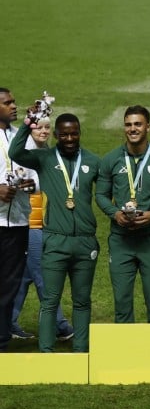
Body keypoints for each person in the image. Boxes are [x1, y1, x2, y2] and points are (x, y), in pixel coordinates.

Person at [10, 111, 101, 352]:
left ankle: (81, 349)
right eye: (64, 134)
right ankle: (46, 351)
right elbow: (14, 153)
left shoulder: (93, 161)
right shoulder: (44, 158)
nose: (69, 138)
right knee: (50, 301)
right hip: (55, 242)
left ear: (80, 133)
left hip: (85, 242)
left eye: (74, 133)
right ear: (57, 135)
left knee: (82, 302)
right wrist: (27, 123)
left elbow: (104, 195)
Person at [95, 106, 150, 323]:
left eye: (137, 124)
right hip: (121, 241)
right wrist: (115, 214)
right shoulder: (111, 159)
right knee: (122, 305)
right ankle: (125, 355)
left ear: (148, 127)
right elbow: (101, 195)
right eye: (128, 124)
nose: (132, 129)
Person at [10, 118, 73, 341]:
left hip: (38, 224)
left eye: (48, 127)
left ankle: (8, 321)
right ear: (29, 129)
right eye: (39, 127)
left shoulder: (46, 152)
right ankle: (59, 325)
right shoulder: (23, 152)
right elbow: (21, 184)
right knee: (44, 276)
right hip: (31, 224)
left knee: (24, 275)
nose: (44, 131)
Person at [0, 87, 32, 352]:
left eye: (14, 100)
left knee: (10, 284)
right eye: (7, 102)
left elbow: (36, 173)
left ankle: (1, 339)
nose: (14, 105)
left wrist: (30, 183)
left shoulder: (20, 137)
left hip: (18, 223)